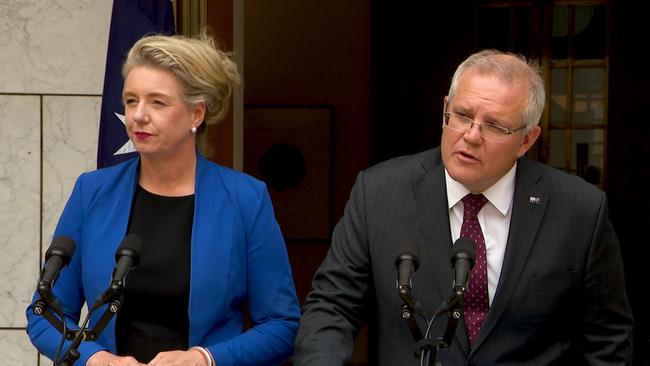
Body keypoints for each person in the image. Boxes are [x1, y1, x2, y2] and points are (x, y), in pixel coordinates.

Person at [293, 49, 633, 365]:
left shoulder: (579, 209)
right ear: (445, 110)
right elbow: (332, 308)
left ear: (527, 139)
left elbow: (607, 339)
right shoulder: (379, 193)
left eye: (494, 126)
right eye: (463, 115)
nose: (471, 135)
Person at [26, 33, 301, 366]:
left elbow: (281, 326)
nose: (138, 115)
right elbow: (44, 314)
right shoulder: (92, 192)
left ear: (196, 114)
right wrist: (96, 359)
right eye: (131, 101)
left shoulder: (245, 199)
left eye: (157, 102)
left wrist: (205, 359)